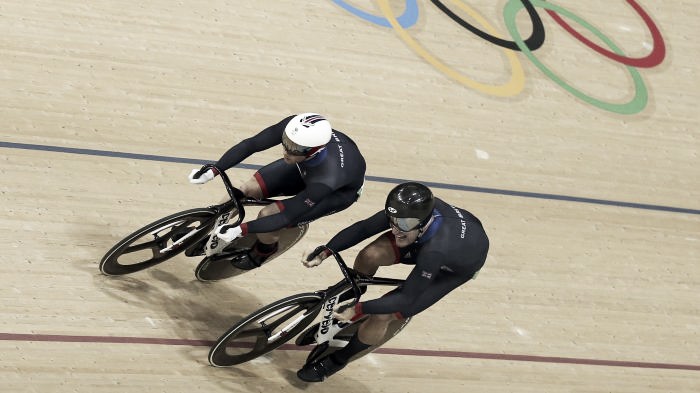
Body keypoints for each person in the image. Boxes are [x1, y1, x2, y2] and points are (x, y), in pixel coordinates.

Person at [296, 182, 489, 382]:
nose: (396, 230)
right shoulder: (410, 212)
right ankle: (349, 301)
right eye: (392, 221)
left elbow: (406, 298)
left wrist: (361, 309)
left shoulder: (435, 250)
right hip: (427, 238)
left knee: (382, 316)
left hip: (450, 268)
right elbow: (363, 228)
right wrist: (327, 250)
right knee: (370, 255)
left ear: (423, 222)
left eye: (403, 225)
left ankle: (338, 359)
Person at [188, 113, 366, 270]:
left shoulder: (328, 179)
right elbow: (251, 144)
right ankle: (203, 229)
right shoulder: (295, 128)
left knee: (267, 214)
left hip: (335, 192)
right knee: (246, 189)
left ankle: (264, 250)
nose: (287, 151)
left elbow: (285, 216)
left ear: (314, 151)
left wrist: (241, 229)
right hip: (307, 167)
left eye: (294, 148)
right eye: (286, 142)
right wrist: (214, 169)